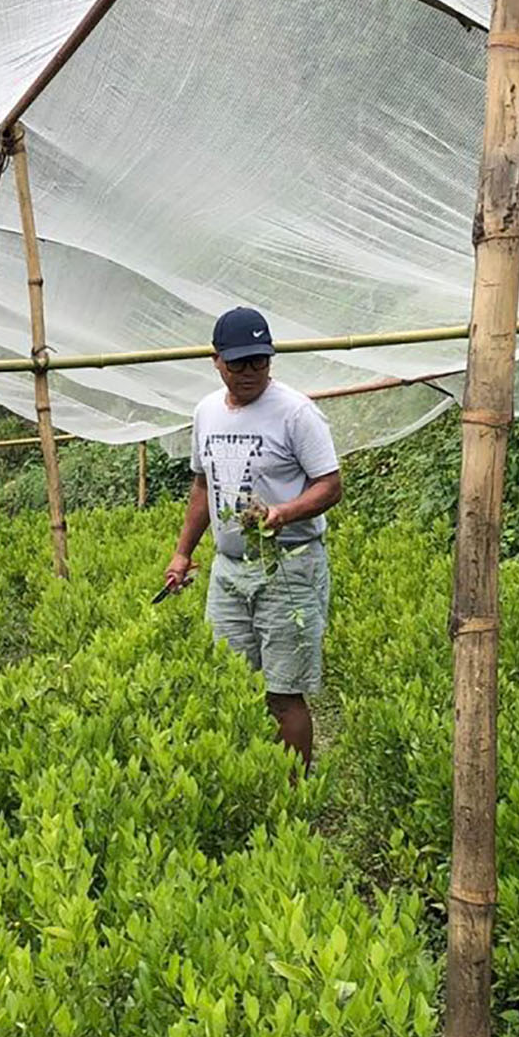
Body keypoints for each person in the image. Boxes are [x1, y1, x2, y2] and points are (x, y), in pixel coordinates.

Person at [164, 307, 344, 769]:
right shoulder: (206, 412)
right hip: (228, 571)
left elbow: (330, 484)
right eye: (238, 363)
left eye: (259, 362)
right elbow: (203, 486)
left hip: (289, 567)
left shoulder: (296, 413)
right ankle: (251, 776)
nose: (249, 373)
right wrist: (183, 553)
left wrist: (283, 513)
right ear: (216, 360)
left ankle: (294, 797)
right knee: (230, 681)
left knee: (284, 693)